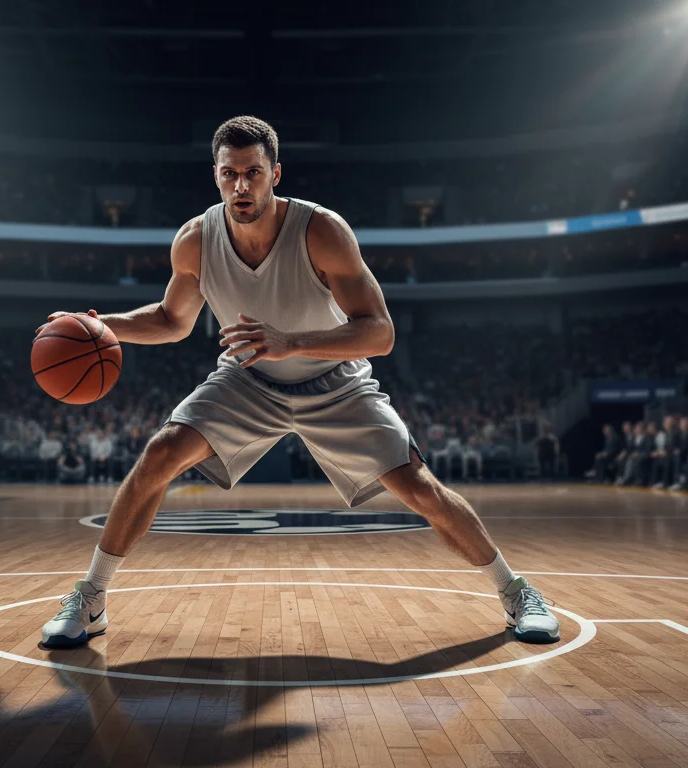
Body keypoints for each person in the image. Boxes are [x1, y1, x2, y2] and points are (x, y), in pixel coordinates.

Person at [36, 116, 558, 649]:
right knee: (160, 453)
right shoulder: (195, 240)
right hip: (248, 380)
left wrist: (291, 342)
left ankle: (516, 592)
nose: (242, 185)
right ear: (214, 176)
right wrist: (101, 327)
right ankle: (92, 598)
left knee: (419, 489)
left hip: (335, 381)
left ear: (275, 174)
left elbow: (380, 333)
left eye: (253, 173)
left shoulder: (322, 230)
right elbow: (172, 321)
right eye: (230, 174)